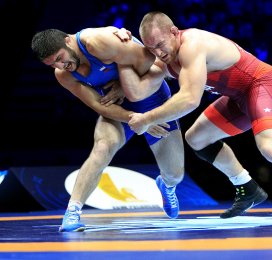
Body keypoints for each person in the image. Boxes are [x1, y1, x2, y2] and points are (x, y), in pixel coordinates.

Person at [117, 11, 272, 225]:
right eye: (151, 49)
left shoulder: (193, 44)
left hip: (263, 84)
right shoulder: (165, 58)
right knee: (197, 138)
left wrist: (146, 118)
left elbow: (189, 99)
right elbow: (139, 82)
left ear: (174, 32)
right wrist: (121, 44)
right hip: (238, 98)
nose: (157, 52)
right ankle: (246, 187)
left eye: (160, 44)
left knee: (271, 148)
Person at [31, 26, 185, 232]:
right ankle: (72, 211)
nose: (61, 66)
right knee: (103, 147)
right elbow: (97, 105)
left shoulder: (98, 42)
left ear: (68, 41)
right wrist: (135, 118)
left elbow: (149, 60)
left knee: (175, 173)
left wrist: (127, 86)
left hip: (150, 97)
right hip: (118, 108)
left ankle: (166, 185)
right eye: (52, 64)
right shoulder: (64, 75)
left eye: (59, 58)